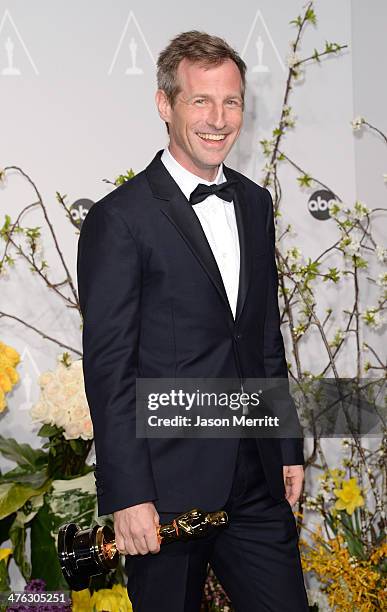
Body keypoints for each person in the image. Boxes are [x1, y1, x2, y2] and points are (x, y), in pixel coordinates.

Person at [77, 30, 309, 612]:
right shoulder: (120, 219)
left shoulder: (255, 204)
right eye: (200, 100)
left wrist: (284, 443)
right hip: (165, 492)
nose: (218, 118)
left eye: (231, 102)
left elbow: (261, 338)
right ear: (165, 104)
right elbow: (110, 369)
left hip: (255, 478)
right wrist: (129, 494)